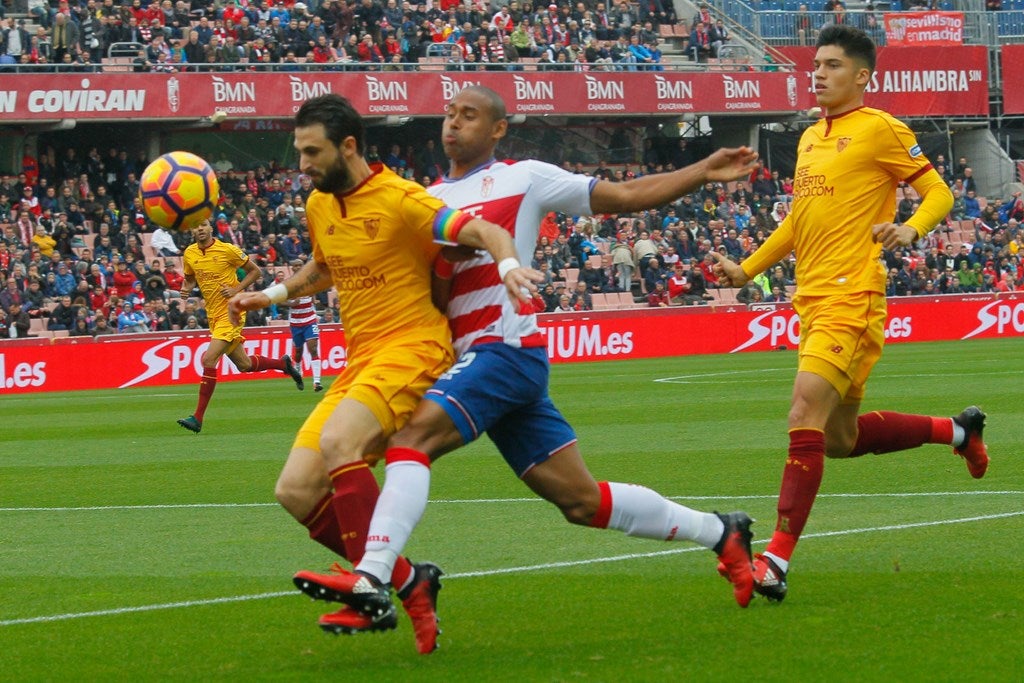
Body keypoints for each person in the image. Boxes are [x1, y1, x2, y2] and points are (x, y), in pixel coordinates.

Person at [288, 86, 762, 647]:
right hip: (468, 363)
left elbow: (627, 194)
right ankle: (721, 531)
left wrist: (703, 170)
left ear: (497, 130)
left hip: (504, 351)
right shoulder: (425, 197)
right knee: (581, 502)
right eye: (448, 114)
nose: (453, 124)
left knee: (411, 440)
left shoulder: (525, 177)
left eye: (469, 116)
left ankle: (375, 575)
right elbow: (427, 289)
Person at [228, 94, 539, 654]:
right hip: (360, 360)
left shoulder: (402, 199)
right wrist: (269, 295)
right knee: (295, 490)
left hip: (412, 349)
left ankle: (368, 589)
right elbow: (326, 268)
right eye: (299, 152)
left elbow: (486, 234)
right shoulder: (321, 205)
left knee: (340, 442)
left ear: (348, 146)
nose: (302, 165)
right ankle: (408, 580)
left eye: (312, 152)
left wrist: (511, 266)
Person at [711, 26, 989, 603]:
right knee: (837, 439)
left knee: (803, 412)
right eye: (815, 64)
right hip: (812, 298)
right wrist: (747, 268)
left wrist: (911, 228)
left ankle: (777, 562)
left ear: (861, 76)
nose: (818, 73)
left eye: (833, 65)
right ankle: (958, 432)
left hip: (852, 295)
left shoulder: (881, 128)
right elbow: (797, 223)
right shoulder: (812, 137)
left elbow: (939, 192)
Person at [176, 218, 304, 434]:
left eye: (203, 225)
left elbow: (256, 272)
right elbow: (189, 278)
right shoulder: (189, 253)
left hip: (232, 311)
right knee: (243, 365)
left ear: (210, 228)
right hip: (213, 315)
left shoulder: (227, 250)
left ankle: (197, 417)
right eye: (195, 226)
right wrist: (185, 288)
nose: (199, 229)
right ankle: (283, 365)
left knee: (208, 359)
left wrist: (237, 290)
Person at [287, 294, 323, 392]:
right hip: (295, 323)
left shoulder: (309, 284)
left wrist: (314, 299)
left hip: (310, 321)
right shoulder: (291, 285)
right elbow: (279, 302)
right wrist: (292, 303)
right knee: (298, 352)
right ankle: (298, 370)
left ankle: (317, 382)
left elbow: (314, 294)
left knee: (313, 349)